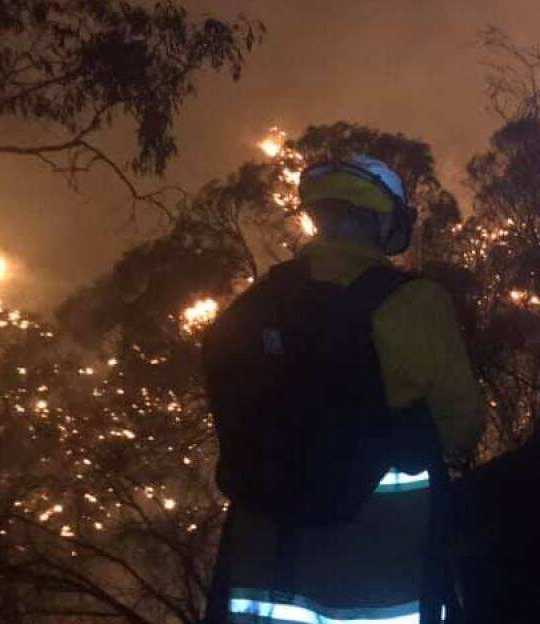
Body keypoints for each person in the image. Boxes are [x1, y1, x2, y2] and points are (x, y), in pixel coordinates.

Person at [202, 155, 484, 624]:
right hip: (378, 564)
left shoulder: (248, 309)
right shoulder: (412, 303)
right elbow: (461, 427)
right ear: (384, 221)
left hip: (265, 564)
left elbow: (230, 419)